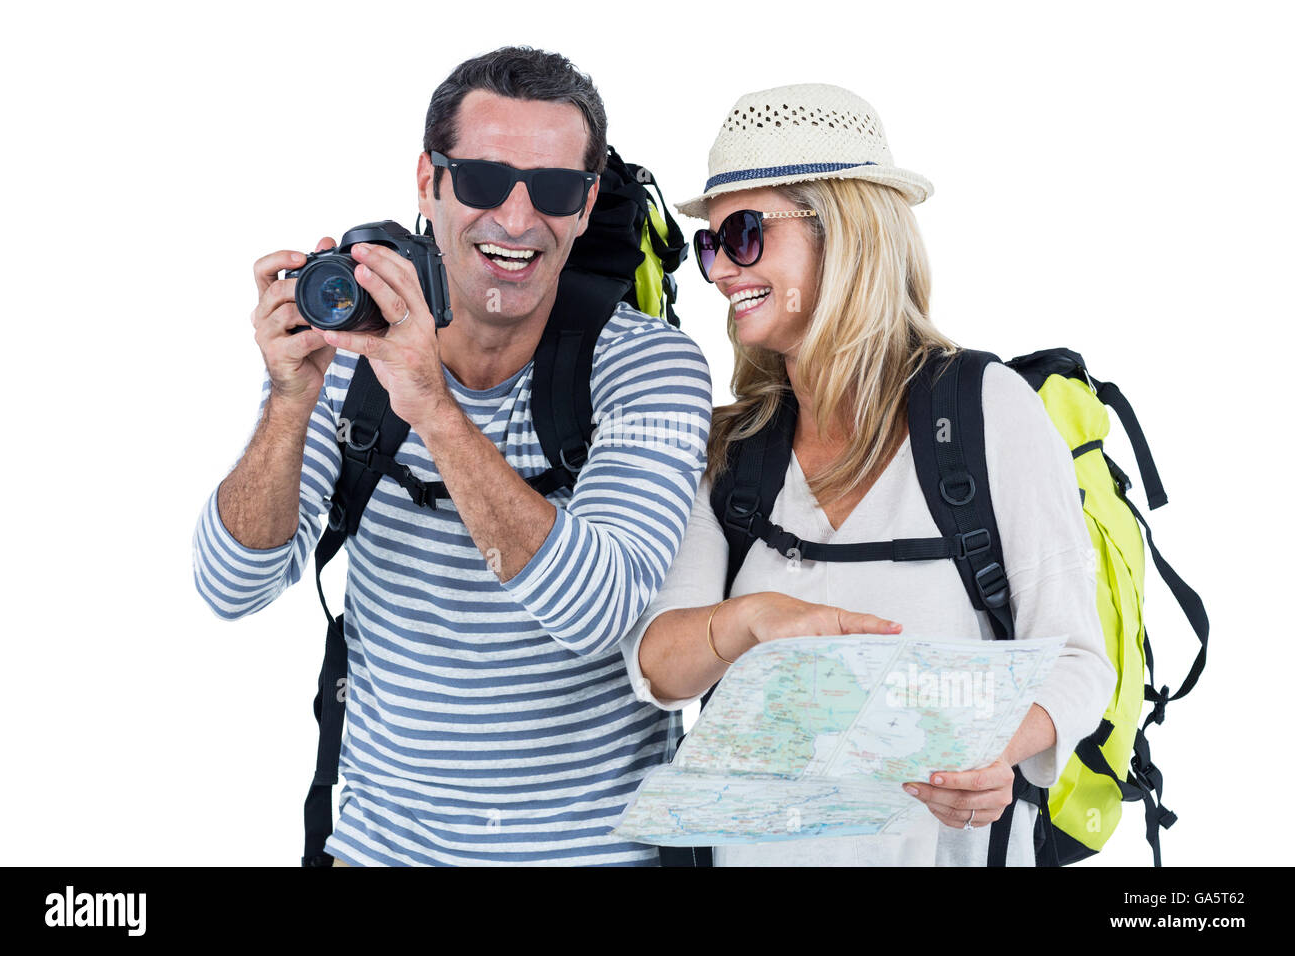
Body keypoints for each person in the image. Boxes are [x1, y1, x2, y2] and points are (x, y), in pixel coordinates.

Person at [192, 47, 712, 866]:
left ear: (584, 207)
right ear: (429, 181)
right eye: (480, 181)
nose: (514, 219)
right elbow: (229, 587)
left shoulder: (650, 368)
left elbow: (599, 611)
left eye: (552, 190)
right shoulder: (349, 354)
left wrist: (431, 407)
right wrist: (292, 399)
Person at [622, 83, 1116, 866]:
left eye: (745, 234)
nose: (719, 271)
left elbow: (1081, 661)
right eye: (709, 245)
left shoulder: (989, 413)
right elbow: (661, 665)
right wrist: (751, 620)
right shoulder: (732, 446)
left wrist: (997, 754)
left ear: (845, 230)